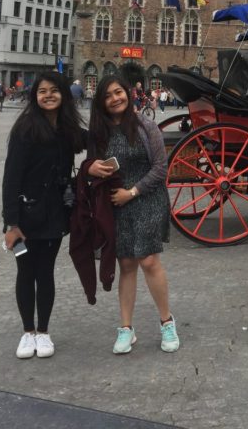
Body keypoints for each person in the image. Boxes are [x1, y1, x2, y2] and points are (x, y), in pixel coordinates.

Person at [86, 74, 179, 355]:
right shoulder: (99, 132)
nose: (115, 99)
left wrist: (133, 192)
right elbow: (89, 163)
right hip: (117, 204)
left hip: (147, 198)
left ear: (128, 94)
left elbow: (161, 168)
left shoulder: (145, 126)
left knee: (149, 261)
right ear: (101, 102)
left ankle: (167, 322)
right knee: (126, 264)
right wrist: (90, 168)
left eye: (119, 92)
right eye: (108, 95)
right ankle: (126, 328)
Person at [2, 71, 86, 359]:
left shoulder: (67, 130)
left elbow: (95, 140)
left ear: (64, 94)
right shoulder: (25, 129)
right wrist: (11, 223)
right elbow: (11, 179)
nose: (48, 95)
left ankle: (44, 331)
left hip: (54, 214)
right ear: (34, 97)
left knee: (46, 272)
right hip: (25, 215)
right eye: (42, 91)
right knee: (25, 273)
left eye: (54, 90)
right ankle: (28, 332)